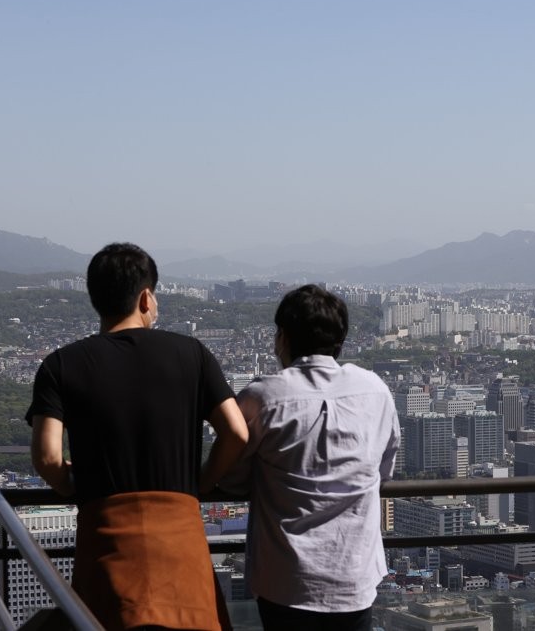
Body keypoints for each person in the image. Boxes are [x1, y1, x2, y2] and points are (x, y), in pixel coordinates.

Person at [27, 242, 249, 631]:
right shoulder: (192, 354)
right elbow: (236, 431)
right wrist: (201, 482)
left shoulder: (61, 364)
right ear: (146, 298)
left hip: (105, 538)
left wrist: (70, 485)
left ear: (95, 298)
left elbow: (46, 457)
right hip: (180, 536)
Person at [220, 284, 399, 631]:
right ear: (341, 339)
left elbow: (230, 477)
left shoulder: (263, 397)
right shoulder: (375, 390)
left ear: (282, 338)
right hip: (354, 575)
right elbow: (384, 469)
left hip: (286, 579)